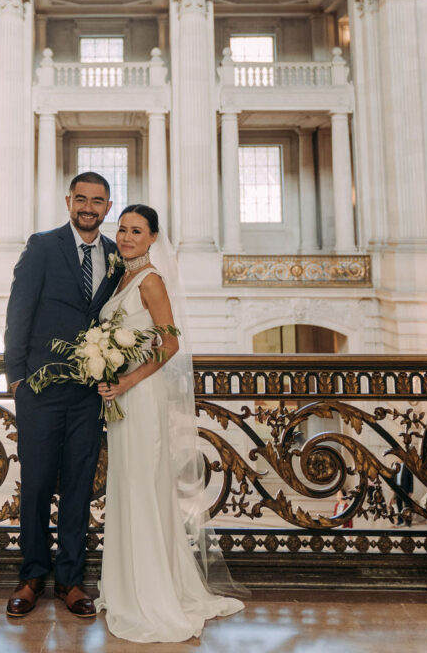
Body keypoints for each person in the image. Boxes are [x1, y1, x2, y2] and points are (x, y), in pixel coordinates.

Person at [96, 203, 245, 643]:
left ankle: (152, 592)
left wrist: (127, 380)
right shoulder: (121, 277)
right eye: (122, 229)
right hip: (121, 398)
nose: (126, 237)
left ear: (153, 238)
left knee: (143, 485)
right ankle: (126, 585)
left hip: (141, 396)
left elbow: (171, 343)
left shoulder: (151, 280)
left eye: (136, 231)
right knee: (127, 486)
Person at [3, 172, 123, 619]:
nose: (89, 207)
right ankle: (32, 576)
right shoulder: (43, 246)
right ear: (69, 201)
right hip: (40, 389)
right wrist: (16, 377)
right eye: (82, 199)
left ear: (108, 206)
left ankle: (71, 582)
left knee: (78, 488)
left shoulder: (115, 254)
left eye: (98, 200)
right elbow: (19, 311)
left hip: (89, 395)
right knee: (35, 486)